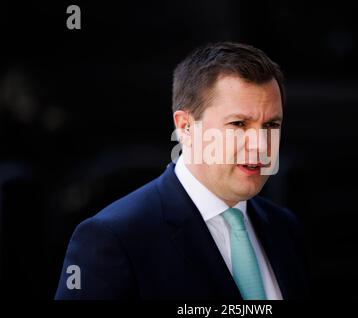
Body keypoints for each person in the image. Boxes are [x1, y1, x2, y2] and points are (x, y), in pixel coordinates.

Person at [55, 42, 309, 300]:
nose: (260, 144)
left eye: (271, 125)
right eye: (239, 124)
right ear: (186, 127)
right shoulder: (114, 239)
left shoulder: (284, 228)